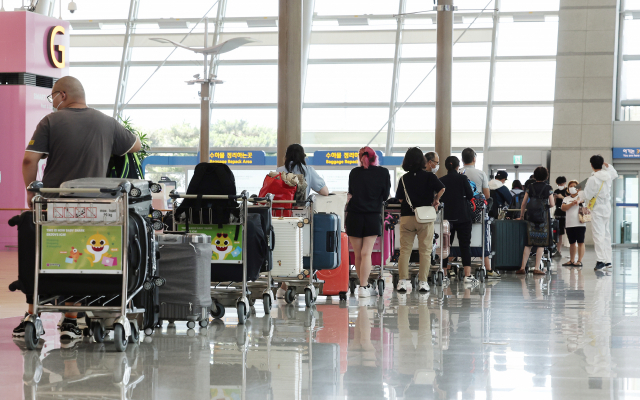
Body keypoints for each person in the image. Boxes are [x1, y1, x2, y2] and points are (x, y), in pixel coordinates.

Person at [15, 76, 141, 340]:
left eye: (53, 97)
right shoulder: (106, 122)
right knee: (82, 256)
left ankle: (32, 313)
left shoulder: (50, 122)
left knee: (47, 254)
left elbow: (29, 159)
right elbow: (135, 145)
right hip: (96, 207)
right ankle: (71, 320)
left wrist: (30, 189)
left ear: (62, 95)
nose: (53, 102)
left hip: (55, 204)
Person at [275, 144, 330, 298]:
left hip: (281, 217)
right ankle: (305, 280)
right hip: (301, 217)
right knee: (303, 249)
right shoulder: (308, 171)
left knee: (285, 249)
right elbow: (324, 191)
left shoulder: (279, 171)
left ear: (286, 157)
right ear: (303, 157)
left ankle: (283, 286)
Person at [395, 148, 445, 293]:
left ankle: (402, 282)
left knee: (405, 251)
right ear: (423, 161)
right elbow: (442, 189)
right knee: (425, 251)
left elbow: (400, 198)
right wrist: (436, 200)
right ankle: (423, 282)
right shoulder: (429, 177)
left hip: (407, 217)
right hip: (425, 218)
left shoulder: (403, 179)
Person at [346, 147, 391, 298]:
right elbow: (385, 196)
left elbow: (351, 192)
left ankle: (362, 285)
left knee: (358, 254)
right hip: (372, 216)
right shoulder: (383, 172)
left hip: (354, 216)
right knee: (367, 253)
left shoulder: (354, 173)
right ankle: (364, 287)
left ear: (361, 158)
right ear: (374, 157)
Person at [439, 156, 479, 286]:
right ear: (458, 166)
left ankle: (444, 274)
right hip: (463, 216)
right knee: (465, 245)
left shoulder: (441, 180)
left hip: (447, 218)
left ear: (446, 167)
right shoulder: (463, 178)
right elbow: (470, 195)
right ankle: (467, 275)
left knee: (445, 247)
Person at [460, 148, 500, 279]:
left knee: (455, 239)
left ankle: (450, 267)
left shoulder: (458, 172)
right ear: (474, 159)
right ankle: (488, 269)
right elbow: (487, 195)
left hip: (459, 210)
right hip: (477, 211)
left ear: (462, 159)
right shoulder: (481, 173)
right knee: (483, 237)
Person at [516, 167, 555, 275]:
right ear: (546, 176)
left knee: (529, 243)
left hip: (531, 217)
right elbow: (552, 204)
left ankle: (522, 268)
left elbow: (524, 203)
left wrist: (522, 215)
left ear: (535, 175)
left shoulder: (530, 186)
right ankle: (537, 268)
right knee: (541, 243)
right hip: (543, 218)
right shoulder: (548, 188)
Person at [584, 155, 618, 271]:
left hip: (597, 208)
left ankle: (600, 261)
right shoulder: (607, 175)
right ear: (602, 164)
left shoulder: (592, 179)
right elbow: (614, 173)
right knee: (606, 234)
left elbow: (587, 195)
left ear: (592, 165)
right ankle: (608, 260)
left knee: (598, 234)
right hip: (607, 207)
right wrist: (607, 165)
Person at [560, 180, 586, 267]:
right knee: (572, 243)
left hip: (580, 223)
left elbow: (582, 201)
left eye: (574, 186)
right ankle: (571, 260)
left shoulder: (582, 197)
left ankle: (579, 260)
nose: (572, 187)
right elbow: (563, 208)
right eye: (570, 186)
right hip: (569, 224)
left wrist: (577, 201)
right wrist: (572, 204)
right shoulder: (566, 198)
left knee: (580, 242)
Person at [553, 176, 568, 258]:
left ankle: (572, 251)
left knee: (569, 233)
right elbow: (554, 204)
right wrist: (554, 198)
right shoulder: (556, 191)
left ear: (565, 183)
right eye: (558, 184)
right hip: (558, 213)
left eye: (561, 183)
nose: (560, 185)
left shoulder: (567, 191)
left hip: (566, 213)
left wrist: (562, 197)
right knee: (559, 233)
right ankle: (558, 251)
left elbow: (570, 200)